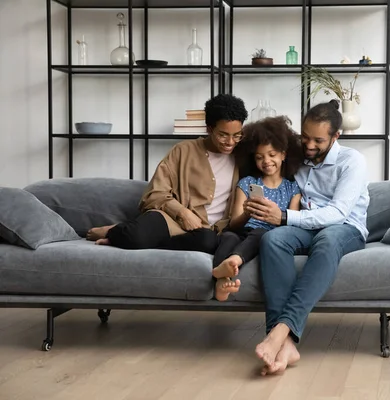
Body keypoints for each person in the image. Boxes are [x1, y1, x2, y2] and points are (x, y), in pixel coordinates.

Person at [245, 99, 370, 375]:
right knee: (272, 240)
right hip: (305, 225)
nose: (309, 145)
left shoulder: (353, 162)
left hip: (345, 228)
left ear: (336, 136)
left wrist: (285, 217)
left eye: (318, 140)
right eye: (305, 137)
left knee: (326, 241)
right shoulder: (298, 159)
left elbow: (338, 213)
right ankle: (286, 346)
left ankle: (280, 330)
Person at [86, 94, 249, 258]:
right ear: (209, 128)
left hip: (207, 233)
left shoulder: (242, 156)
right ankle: (115, 231)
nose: (230, 142)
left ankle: (134, 236)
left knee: (207, 241)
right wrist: (183, 213)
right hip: (173, 222)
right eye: (223, 135)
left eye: (237, 135)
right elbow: (154, 194)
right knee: (136, 236)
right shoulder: (183, 151)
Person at [211, 116, 304, 301]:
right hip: (242, 231)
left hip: (267, 235)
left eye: (272, 155)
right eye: (260, 157)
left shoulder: (293, 188)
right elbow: (234, 224)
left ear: (283, 155)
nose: (266, 161)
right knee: (228, 237)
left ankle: (234, 260)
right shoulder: (247, 184)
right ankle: (222, 280)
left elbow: (291, 225)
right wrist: (247, 213)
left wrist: (273, 217)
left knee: (261, 232)